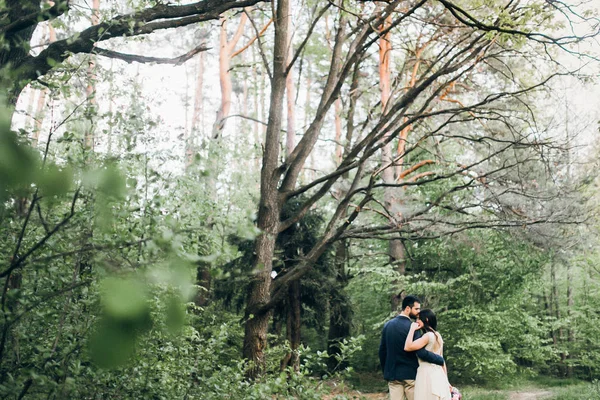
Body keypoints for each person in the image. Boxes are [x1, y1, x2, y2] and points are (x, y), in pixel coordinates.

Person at [379, 295, 445, 400]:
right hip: (411, 375)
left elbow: (382, 351)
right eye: (416, 309)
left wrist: (386, 372)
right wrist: (439, 359)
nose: (418, 312)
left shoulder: (388, 325)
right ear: (407, 308)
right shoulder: (414, 327)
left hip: (392, 375)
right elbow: (421, 352)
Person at [404, 309, 451, 400]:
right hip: (439, 373)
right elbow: (441, 360)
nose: (417, 321)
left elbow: (407, 347)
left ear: (426, 319)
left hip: (426, 373)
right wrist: (446, 381)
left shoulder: (428, 336)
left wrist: (412, 329)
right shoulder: (438, 335)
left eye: (418, 319)